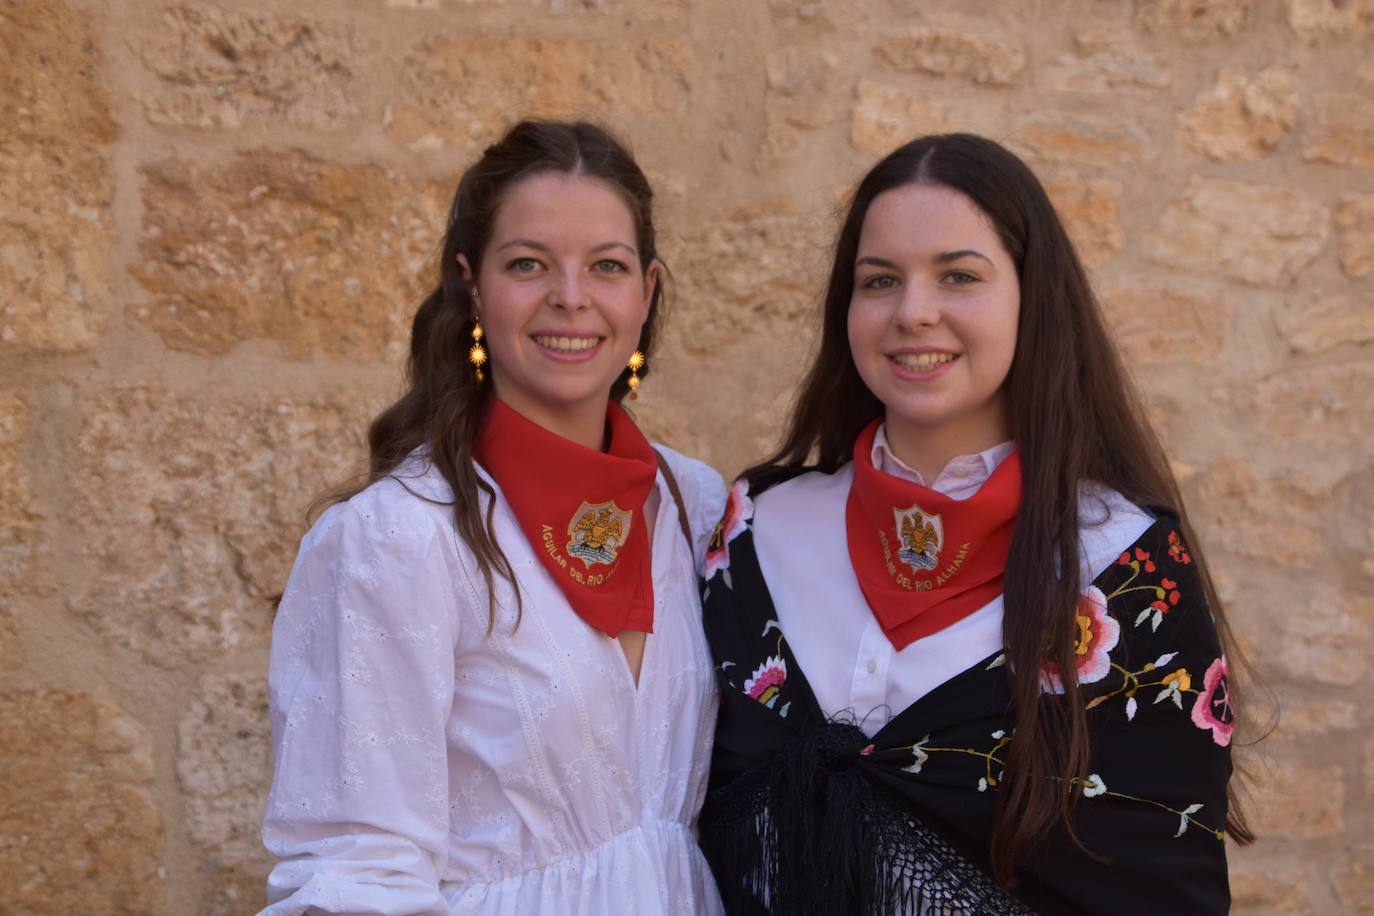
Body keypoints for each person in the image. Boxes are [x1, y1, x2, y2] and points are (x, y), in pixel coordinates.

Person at [697, 133, 1252, 915]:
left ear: (1031, 297)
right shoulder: (754, 531)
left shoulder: (1126, 565)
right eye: (879, 280)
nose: (913, 312)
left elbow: (1161, 882)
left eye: (959, 276)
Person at [260, 120, 726, 915]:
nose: (570, 297)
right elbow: (357, 872)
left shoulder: (694, 504)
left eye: (605, 266)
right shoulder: (398, 539)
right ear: (471, 284)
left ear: (646, 292)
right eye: (528, 264)